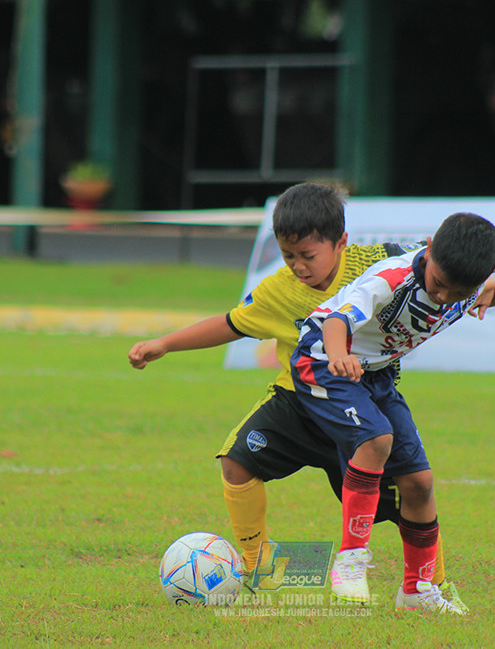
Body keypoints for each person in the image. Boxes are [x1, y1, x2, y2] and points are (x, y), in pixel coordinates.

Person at [129, 183, 469, 604]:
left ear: (341, 241)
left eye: (308, 256)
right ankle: (259, 567)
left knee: (409, 493)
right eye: (288, 255)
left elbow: (446, 264)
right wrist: (164, 343)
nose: (298, 266)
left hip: (362, 403)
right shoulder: (278, 290)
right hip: (299, 398)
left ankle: (428, 582)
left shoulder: (377, 262)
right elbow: (230, 324)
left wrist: (494, 285)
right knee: (236, 462)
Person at [291, 212, 495, 613]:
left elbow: (492, 290)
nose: (444, 297)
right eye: (439, 284)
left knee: (420, 483)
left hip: (376, 374)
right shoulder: (391, 278)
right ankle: (350, 564)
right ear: (428, 248)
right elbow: (336, 321)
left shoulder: (464, 284)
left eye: (457, 291)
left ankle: (416, 591)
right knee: (377, 439)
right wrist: (339, 357)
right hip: (322, 359)